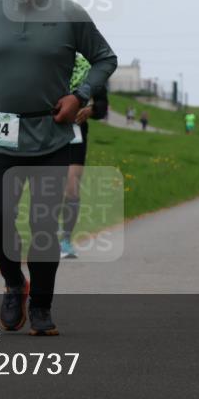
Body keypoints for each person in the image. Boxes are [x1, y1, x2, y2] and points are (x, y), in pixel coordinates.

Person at [0, 0, 117, 336]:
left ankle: (42, 306)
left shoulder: (70, 14)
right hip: (1, 137)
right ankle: (15, 285)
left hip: (51, 138)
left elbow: (104, 58)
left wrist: (79, 94)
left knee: (43, 228)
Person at [59, 53, 110, 259]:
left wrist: (90, 110)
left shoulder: (88, 68)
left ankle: (66, 240)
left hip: (76, 132)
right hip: (46, 131)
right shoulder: (48, 61)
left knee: (72, 187)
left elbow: (102, 105)